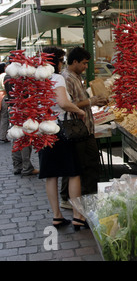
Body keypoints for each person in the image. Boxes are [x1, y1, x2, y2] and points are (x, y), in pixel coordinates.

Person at [39, 46, 88, 230]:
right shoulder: (56, 77)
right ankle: (77, 216)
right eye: (61, 60)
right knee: (73, 172)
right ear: (55, 61)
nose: (62, 64)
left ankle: (57, 216)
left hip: (43, 130)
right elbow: (63, 103)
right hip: (60, 129)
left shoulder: (35, 78)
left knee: (51, 175)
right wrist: (79, 111)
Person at [60, 47, 106, 208]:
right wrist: (91, 101)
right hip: (77, 129)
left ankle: (83, 196)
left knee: (85, 163)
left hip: (85, 128)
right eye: (84, 63)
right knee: (80, 164)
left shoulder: (76, 77)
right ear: (74, 62)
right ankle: (71, 198)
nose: (86, 67)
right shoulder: (67, 79)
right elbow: (68, 104)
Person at [3, 60, 39, 176]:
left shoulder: (8, 75)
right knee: (24, 138)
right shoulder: (21, 76)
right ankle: (27, 167)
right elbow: (26, 93)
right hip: (23, 109)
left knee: (16, 137)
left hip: (13, 109)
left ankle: (17, 166)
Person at [0, 62, 9, 143]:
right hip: (3, 96)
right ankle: (3, 136)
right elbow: (4, 87)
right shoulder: (4, 75)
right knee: (4, 116)